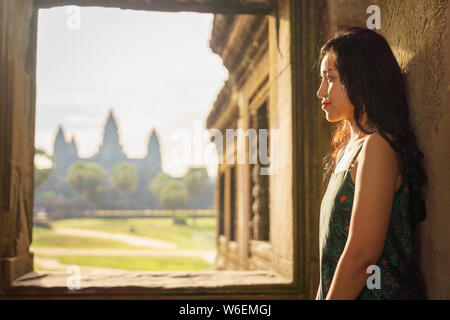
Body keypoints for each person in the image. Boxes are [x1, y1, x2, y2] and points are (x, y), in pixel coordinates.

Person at [315, 27, 427, 300]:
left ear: (361, 79)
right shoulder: (348, 149)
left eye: (330, 78)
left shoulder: (377, 147)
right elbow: (331, 257)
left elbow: (361, 257)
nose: (320, 92)